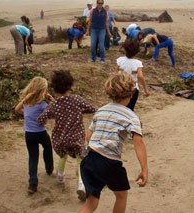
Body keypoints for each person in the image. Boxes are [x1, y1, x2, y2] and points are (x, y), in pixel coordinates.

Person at [79, 71, 148, 213]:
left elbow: (89, 136)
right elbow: (138, 142)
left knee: (91, 202)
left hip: (89, 160)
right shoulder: (131, 116)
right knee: (121, 195)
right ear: (131, 94)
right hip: (109, 162)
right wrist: (144, 168)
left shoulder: (101, 110)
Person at [37, 71, 96, 201]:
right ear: (70, 85)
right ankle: (81, 183)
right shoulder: (76, 99)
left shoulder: (54, 104)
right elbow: (92, 108)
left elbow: (41, 119)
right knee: (81, 159)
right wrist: (80, 110)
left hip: (61, 138)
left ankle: (60, 177)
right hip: (77, 136)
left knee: (62, 156)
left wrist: (51, 115)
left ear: (54, 87)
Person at [14, 77, 54, 194]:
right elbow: (46, 118)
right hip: (40, 133)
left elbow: (17, 109)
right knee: (47, 147)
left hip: (29, 134)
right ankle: (49, 168)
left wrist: (26, 113)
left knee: (33, 156)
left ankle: (33, 182)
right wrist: (52, 101)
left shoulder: (26, 102)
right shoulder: (43, 104)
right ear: (43, 90)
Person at [114, 39, 150, 111]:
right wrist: (146, 90)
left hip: (120, 87)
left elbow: (114, 73)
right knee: (130, 109)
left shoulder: (120, 60)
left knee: (119, 108)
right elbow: (140, 76)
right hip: (133, 88)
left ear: (125, 50)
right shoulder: (138, 63)